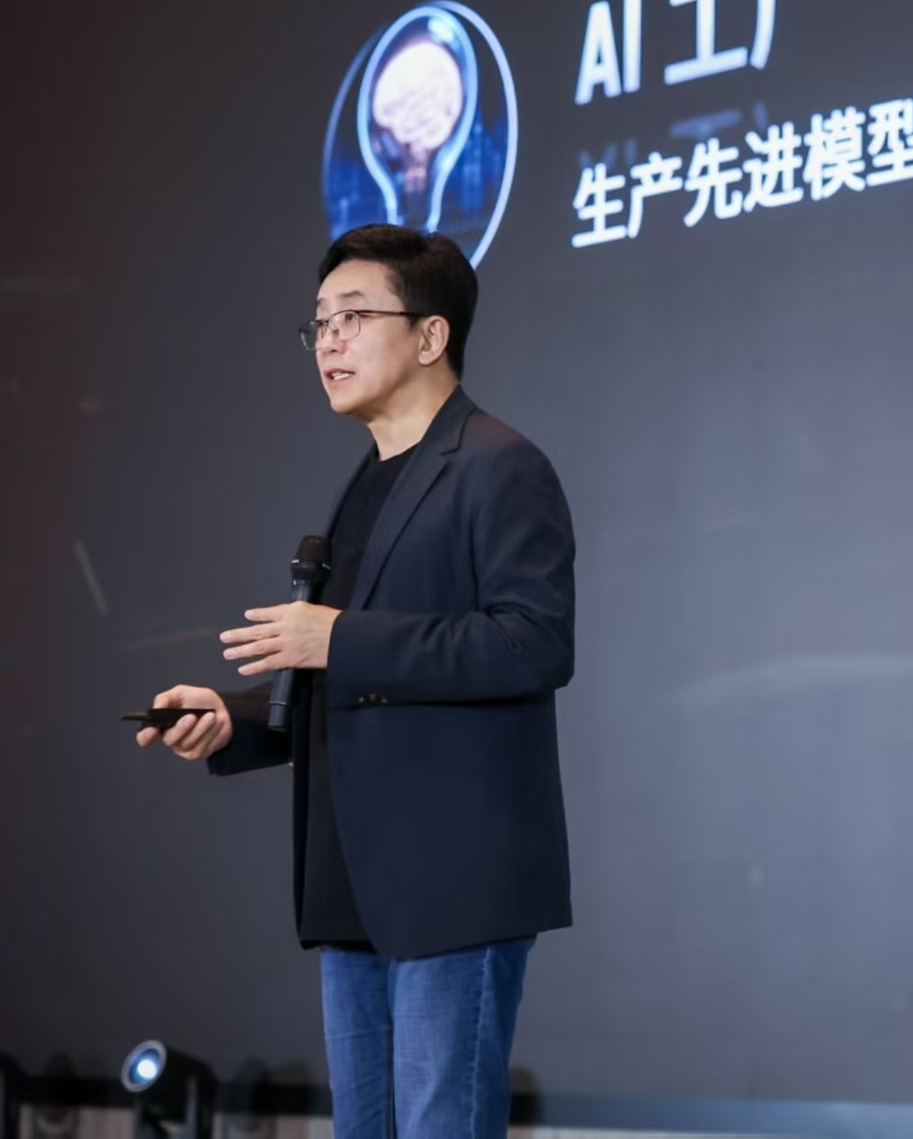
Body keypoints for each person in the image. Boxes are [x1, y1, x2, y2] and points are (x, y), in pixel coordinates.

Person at [135, 224, 576, 1139]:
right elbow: (355, 675)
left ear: (430, 335)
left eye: (353, 316)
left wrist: (339, 638)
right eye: (319, 323)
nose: (328, 340)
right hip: (351, 879)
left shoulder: (499, 465)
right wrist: (235, 719)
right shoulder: (363, 485)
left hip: (449, 882)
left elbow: (534, 644)